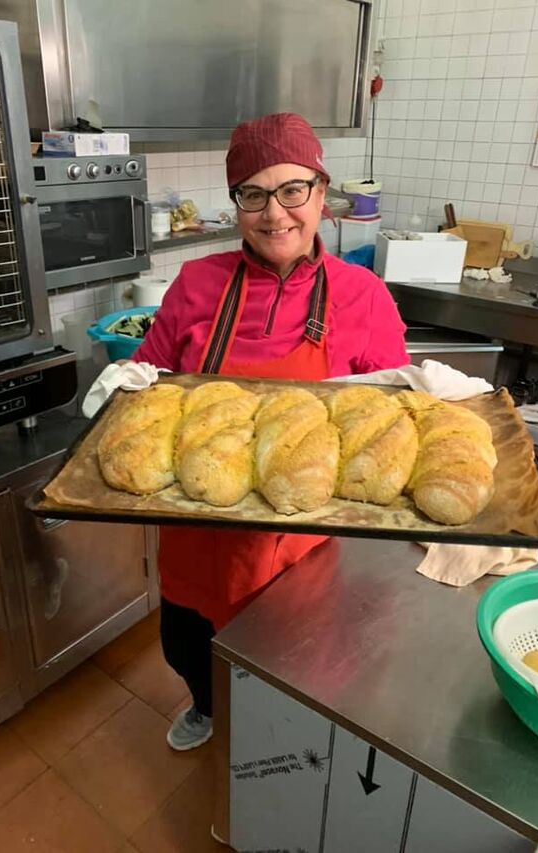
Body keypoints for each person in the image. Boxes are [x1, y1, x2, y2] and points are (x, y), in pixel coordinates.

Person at [133, 112, 409, 752]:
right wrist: (118, 388)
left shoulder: (362, 294)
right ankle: (206, 706)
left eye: (293, 190)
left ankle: (270, 737)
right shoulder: (197, 283)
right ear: (236, 204)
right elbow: (147, 380)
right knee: (186, 644)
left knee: (286, 660)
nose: (274, 213)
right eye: (253, 194)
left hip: (299, 538)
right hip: (197, 522)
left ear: (321, 192)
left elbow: (393, 416)